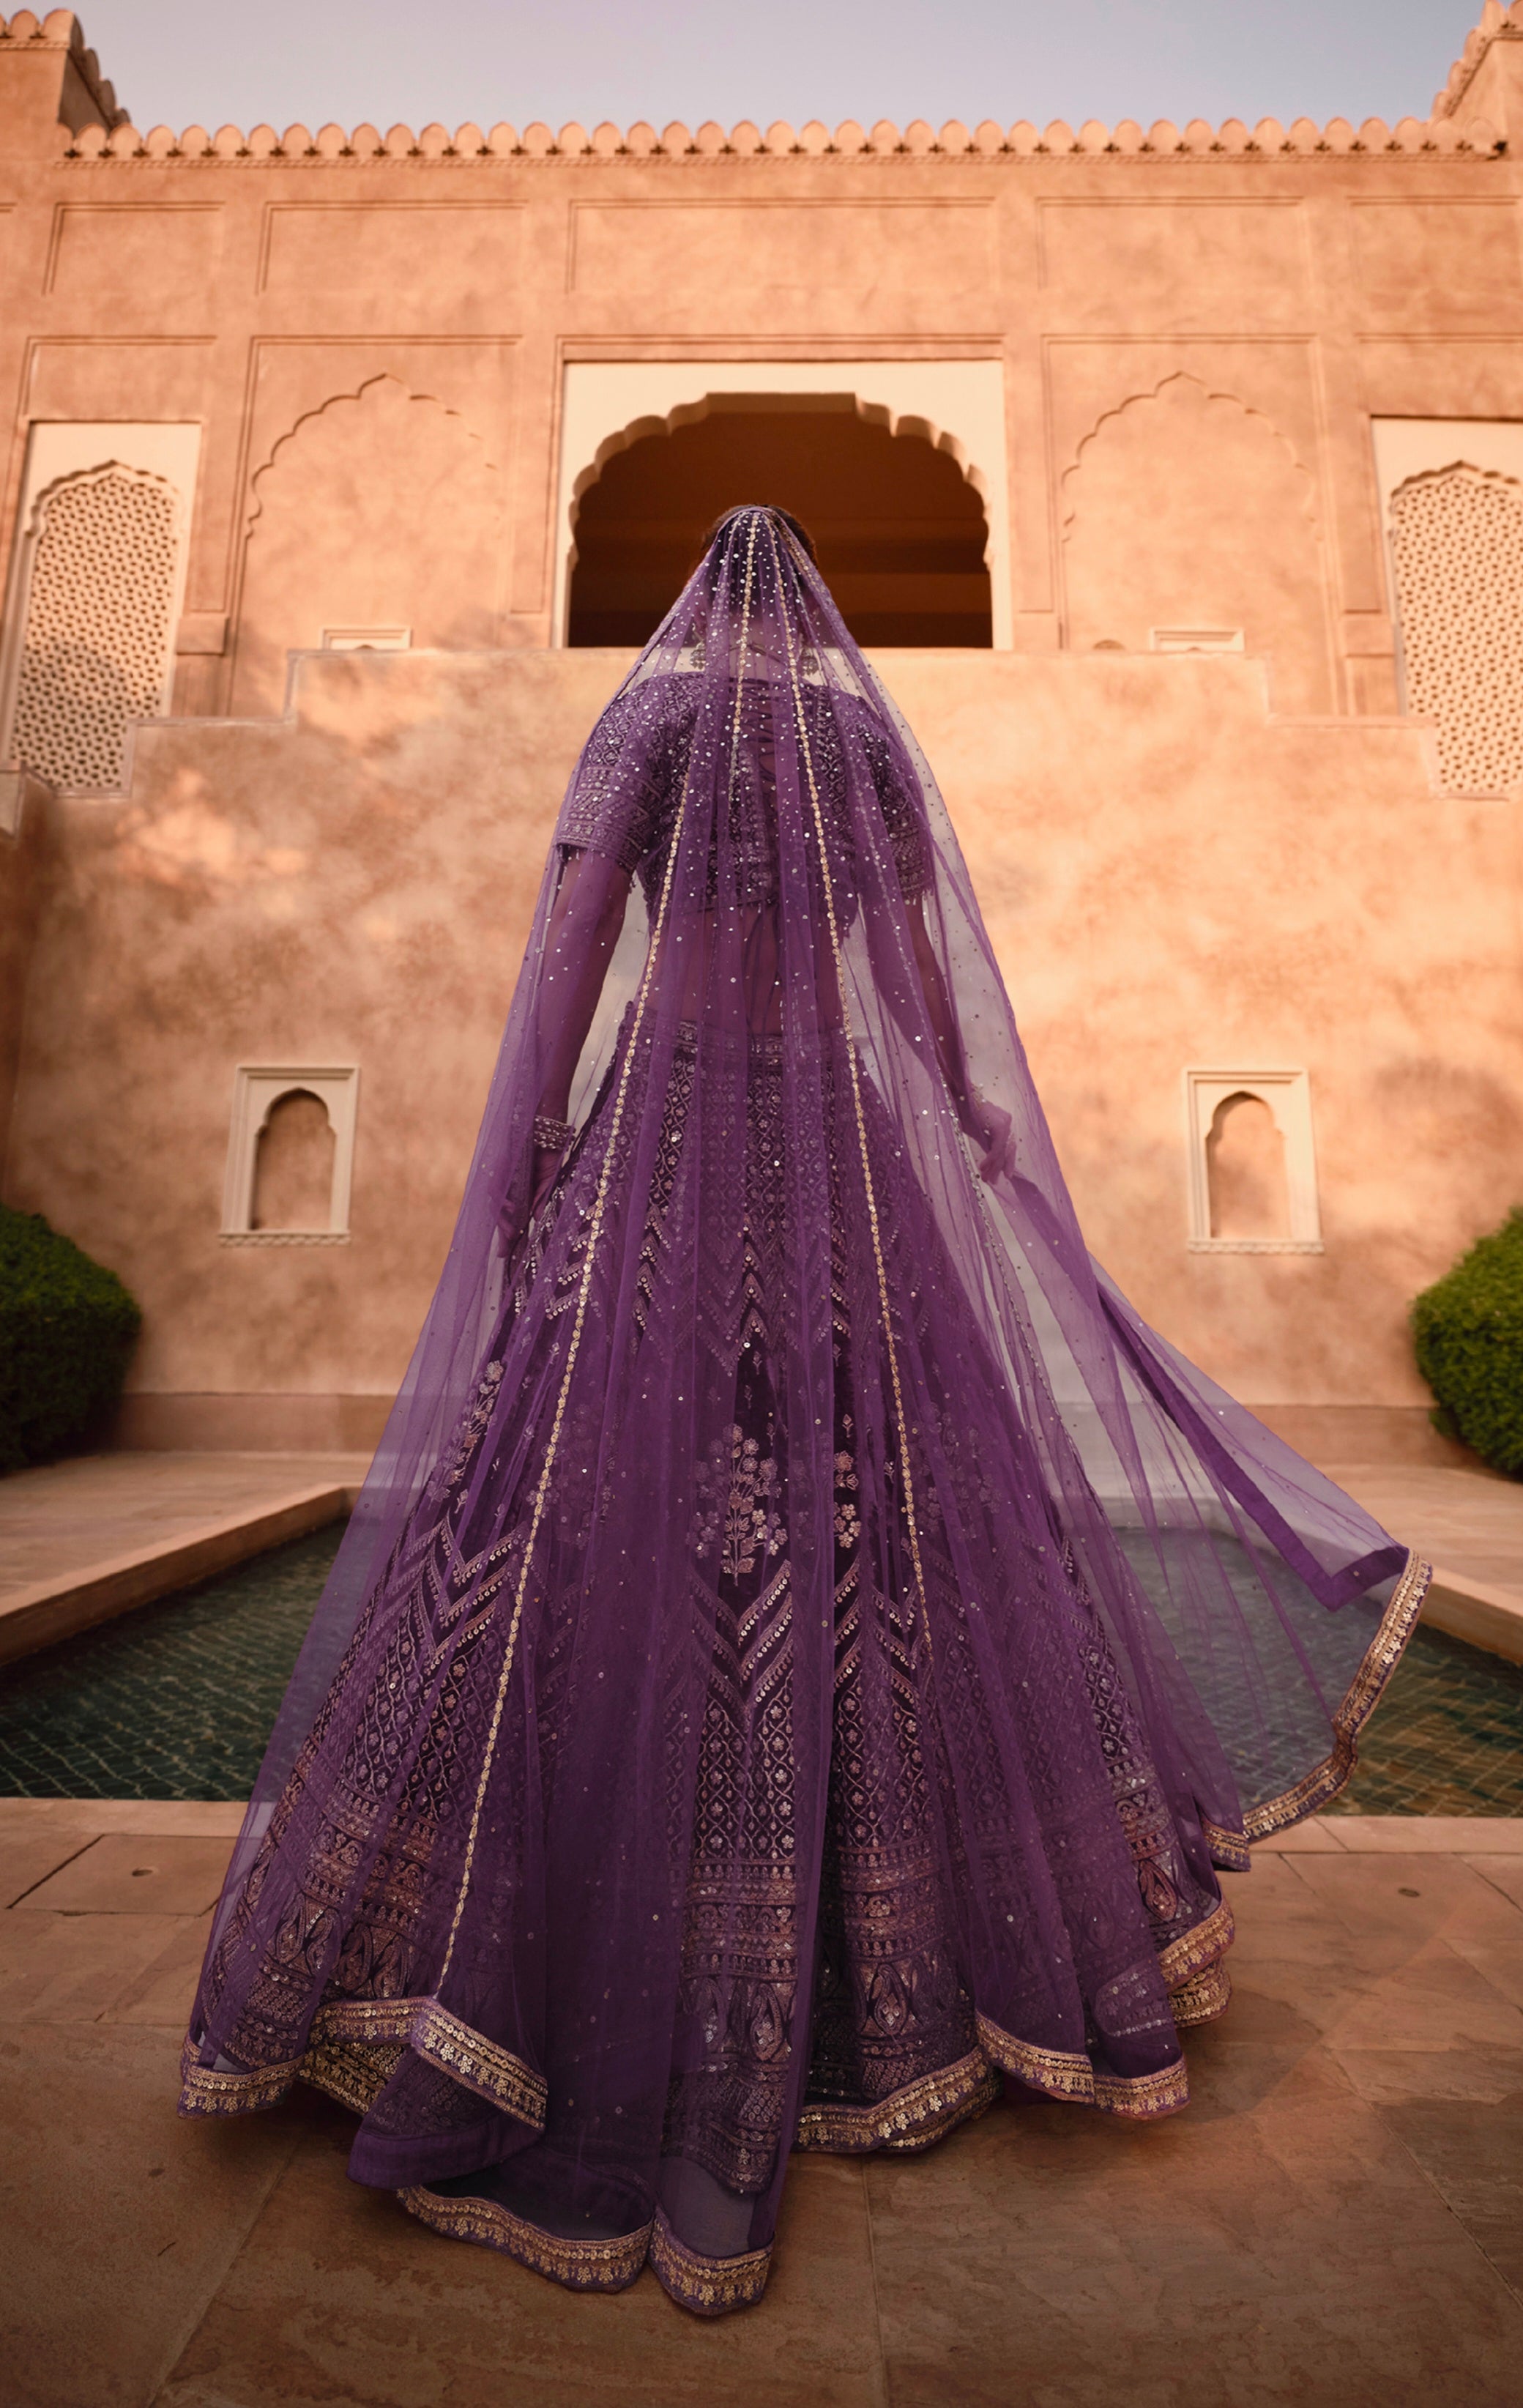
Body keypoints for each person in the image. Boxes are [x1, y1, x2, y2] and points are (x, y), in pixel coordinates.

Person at [180, 505, 1427, 2316]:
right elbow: (915, 981)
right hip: (835, 1159)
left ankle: (490, 1980)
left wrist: (526, 1145)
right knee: (884, 1510)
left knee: (564, 1519)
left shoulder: (649, 726)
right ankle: (901, 1971)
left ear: (702, 600)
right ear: (813, 616)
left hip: (667, 1146)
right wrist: (972, 1120)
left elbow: (571, 952)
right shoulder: (859, 742)